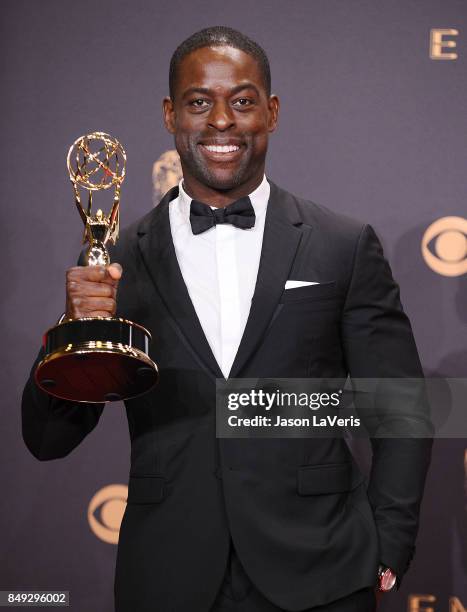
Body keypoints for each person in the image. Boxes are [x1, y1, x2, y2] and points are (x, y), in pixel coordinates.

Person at [22, 26, 433, 612]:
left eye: (242, 101)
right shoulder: (118, 260)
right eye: (198, 102)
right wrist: (72, 330)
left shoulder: (342, 243)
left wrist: (389, 543)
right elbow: (47, 440)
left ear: (272, 112)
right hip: (168, 572)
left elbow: (402, 405)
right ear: (170, 115)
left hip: (323, 570)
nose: (221, 121)